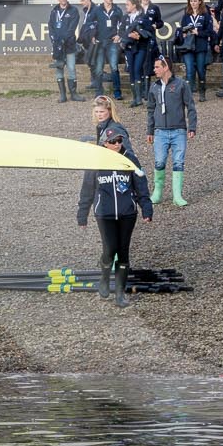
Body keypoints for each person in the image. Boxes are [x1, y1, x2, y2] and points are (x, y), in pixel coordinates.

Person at [77, 123, 151, 309]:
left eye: (120, 140)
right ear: (104, 143)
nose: (117, 144)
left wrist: (146, 208)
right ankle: (104, 277)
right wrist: (82, 214)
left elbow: (140, 184)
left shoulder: (130, 159)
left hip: (127, 213)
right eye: (113, 141)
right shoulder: (96, 162)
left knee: (123, 251)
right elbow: (87, 189)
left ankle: (119, 292)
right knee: (110, 249)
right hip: (105, 213)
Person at [146, 55, 194, 206]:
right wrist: (150, 130)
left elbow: (190, 106)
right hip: (160, 131)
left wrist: (191, 127)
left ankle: (177, 195)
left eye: (157, 67)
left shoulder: (181, 84)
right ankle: (157, 193)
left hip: (178, 131)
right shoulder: (154, 87)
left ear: (166, 67)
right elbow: (150, 109)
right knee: (159, 161)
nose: (154, 70)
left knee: (178, 162)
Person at [47, 0, 81, 102]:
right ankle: (62, 95)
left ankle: (74, 94)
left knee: (71, 68)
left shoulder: (73, 10)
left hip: (70, 45)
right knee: (59, 68)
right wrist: (54, 40)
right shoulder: (54, 11)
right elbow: (51, 26)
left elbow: (72, 28)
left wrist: (63, 40)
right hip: (57, 46)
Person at [180, 0, 216, 99]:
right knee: (190, 70)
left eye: (195, 1)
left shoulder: (205, 15)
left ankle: (202, 92)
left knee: (201, 70)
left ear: (200, 2)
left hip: (200, 46)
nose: (193, 3)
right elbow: (181, 29)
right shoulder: (186, 16)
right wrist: (183, 33)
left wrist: (198, 32)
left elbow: (209, 31)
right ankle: (189, 94)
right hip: (188, 47)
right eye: (191, 1)